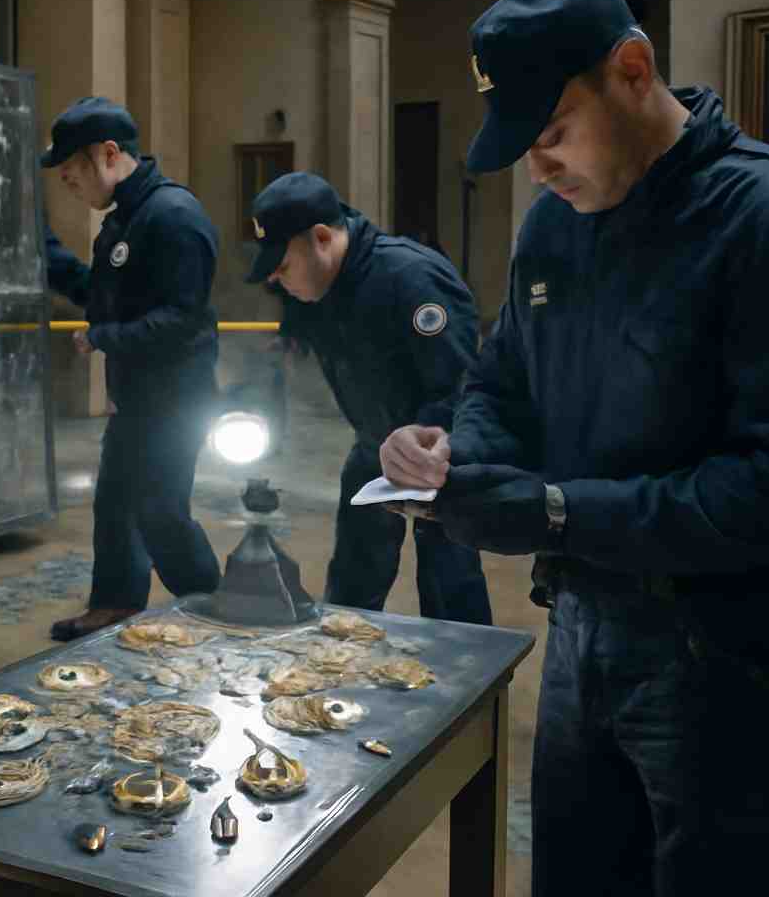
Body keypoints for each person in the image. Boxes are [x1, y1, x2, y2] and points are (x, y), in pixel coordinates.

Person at [379, 0, 769, 896]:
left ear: (634, 71)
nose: (540, 165)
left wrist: (557, 511)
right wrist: (456, 451)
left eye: (556, 132)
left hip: (722, 653)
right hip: (581, 633)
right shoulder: (554, 228)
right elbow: (502, 383)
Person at [246, 172, 491, 623]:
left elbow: (463, 386)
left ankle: (475, 683)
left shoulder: (411, 278)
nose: (279, 283)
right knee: (352, 581)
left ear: (321, 238)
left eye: (282, 268)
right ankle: (341, 674)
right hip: (372, 445)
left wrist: (424, 451)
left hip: (437, 452)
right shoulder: (317, 287)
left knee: (450, 586)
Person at [40, 97, 221, 641]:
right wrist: (41, 248)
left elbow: (181, 320)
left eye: (73, 176)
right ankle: (117, 604)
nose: (72, 186)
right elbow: (103, 296)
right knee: (116, 502)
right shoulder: (124, 221)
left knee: (160, 510)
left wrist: (103, 338)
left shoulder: (173, 216)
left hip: (176, 398)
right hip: (139, 396)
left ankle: (216, 609)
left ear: (110, 154)